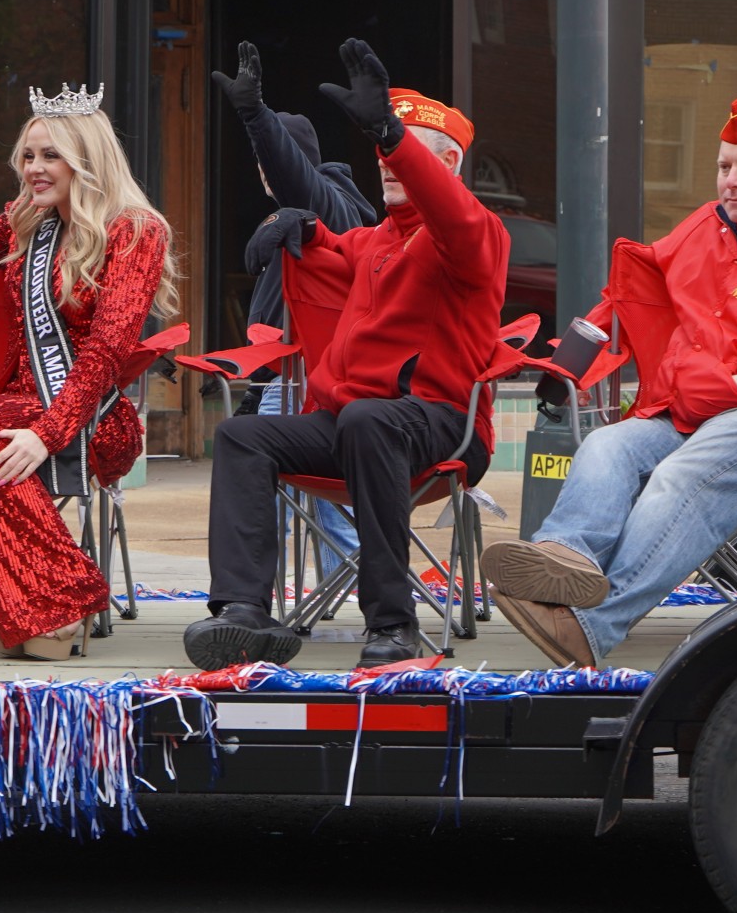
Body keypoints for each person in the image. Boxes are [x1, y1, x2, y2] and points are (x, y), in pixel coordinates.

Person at [484, 97, 737, 667]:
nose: (732, 180)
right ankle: (561, 566)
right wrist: (572, 353)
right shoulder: (708, 225)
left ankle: (587, 625)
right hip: (685, 415)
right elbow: (633, 286)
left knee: (679, 474)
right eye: (725, 166)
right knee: (608, 444)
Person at [186, 41, 509, 671]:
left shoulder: (476, 234)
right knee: (242, 436)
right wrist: (301, 224)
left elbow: (453, 217)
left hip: (444, 421)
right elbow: (330, 241)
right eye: (385, 154)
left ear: (449, 164)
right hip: (358, 423)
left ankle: (392, 622)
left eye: (409, 154)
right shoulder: (377, 239)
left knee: (368, 420)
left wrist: (392, 134)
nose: (389, 165)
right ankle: (244, 612)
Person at [0, 82, 174, 659]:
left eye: (50, 155)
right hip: (21, 407)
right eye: (28, 155)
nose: (34, 168)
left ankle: (59, 600)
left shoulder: (136, 229)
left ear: (86, 159)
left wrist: (48, 434)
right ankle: (5, 600)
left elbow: (108, 348)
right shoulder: (29, 221)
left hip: (93, 422)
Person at [210, 41, 380, 572]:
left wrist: (255, 117)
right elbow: (269, 324)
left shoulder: (333, 200)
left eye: (271, 161)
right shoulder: (291, 219)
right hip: (292, 380)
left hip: (328, 384)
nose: (264, 172)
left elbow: (298, 183)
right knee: (293, 486)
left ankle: (268, 589)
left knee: (263, 464)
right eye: (261, 163)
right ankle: (323, 589)